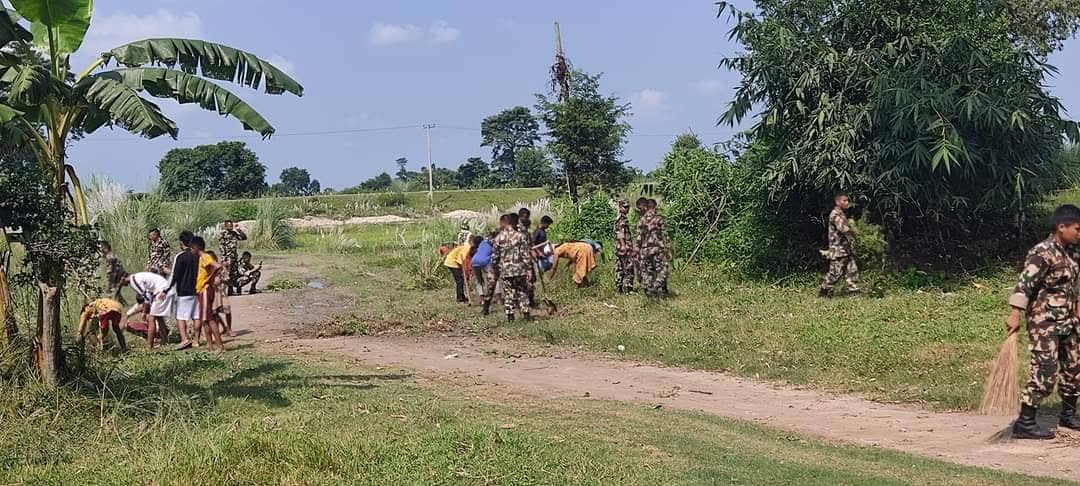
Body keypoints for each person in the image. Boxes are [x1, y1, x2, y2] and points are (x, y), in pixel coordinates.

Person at [1006, 204, 1080, 440]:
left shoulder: (1073, 252)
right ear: (1062, 227)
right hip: (1044, 323)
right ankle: (1025, 422)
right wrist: (1015, 315)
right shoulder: (1042, 252)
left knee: (1074, 370)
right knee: (1046, 371)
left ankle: (1068, 416)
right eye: (1077, 229)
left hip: (1069, 322)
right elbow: (1024, 284)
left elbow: (1074, 286)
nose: (1079, 234)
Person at [491, 213, 532, 321]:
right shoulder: (520, 236)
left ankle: (510, 315)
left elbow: (495, 256)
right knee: (522, 291)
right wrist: (529, 269)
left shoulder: (499, 238)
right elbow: (525, 255)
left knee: (509, 293)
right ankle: (526, 313)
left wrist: (495, 267)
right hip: (519, 269)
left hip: (506, 270)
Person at [121, 271, 171, 350]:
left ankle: (149, 346)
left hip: (161, 290)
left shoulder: (133, 280)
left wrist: (144, 312)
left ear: (122, 278)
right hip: (164, 289)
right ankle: (164, 341)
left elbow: (146, 297)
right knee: (157, 317)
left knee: (151, 318)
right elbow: (127, 314)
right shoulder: (137, 278)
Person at [165, 230, 198, 350]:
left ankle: (184, 339)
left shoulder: (180, 257)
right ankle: (196, 340)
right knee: (196, 316)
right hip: (197, 289)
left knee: (180, 316)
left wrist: (166, 289)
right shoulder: (198, 255)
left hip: (183, 290)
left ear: (181, 242)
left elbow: (175, 275)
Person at [192, 236, 225, 352]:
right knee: (204, 319)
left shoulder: (205, 257)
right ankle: (209, 345)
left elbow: (218, 266)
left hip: (206, 289)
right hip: (201, 290)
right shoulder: (201, 258)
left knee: (210, 319)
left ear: (196, 247)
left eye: (192, 248)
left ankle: (220, 345)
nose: (191, 251)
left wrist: (208, 278)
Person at [636, 199, 671, 298]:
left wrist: (637, 250)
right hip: (657, 250)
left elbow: (639, 238)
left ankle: (649, 290)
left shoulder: (641, 220)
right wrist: (668, 250)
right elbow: (665, 236)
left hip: (645, 251)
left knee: (648, 271)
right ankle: (655, 287)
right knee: (663, 270)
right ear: (654, 207)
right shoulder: (659, 219)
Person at [207, 251, 234, 337]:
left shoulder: (221, 268)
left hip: (221, 292)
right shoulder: (206, 269)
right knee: (215, 312)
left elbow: (228, 279)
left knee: (227, 310)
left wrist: (222, 280)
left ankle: (229, 329)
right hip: (213, 293)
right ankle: (222, 328)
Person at [614, 200, 636, 293]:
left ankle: (620, 288)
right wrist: (624, 245)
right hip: (624, 247)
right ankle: (628, 288)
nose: (627, 209)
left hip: (621, 247)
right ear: (620, 208)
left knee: (620, 267)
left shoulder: (622, 218)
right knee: (628, 267)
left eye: (628, 207)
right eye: (625, 207)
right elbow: (620, 234)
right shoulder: (621, 219)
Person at [220, 220, 247, 295]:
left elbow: (244, 238)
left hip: (234, 257)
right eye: (229, 225)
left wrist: (239, 230)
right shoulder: (223, 234)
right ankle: (223, 292)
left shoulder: (234, 234)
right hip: (227, 257)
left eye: (231, 225)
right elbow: (221, 246)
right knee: (226, 274)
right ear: (225, 226)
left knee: (234, 274)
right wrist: (224, 257)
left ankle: (230, 291)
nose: (231, 227)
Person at [469, 235, 494, 309]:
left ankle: (481, 297)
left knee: (479, 280)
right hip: (485, 261)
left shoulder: (478, 246)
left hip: (474, 261)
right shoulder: (490, 243)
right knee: (493, 278)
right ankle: (498, 298)